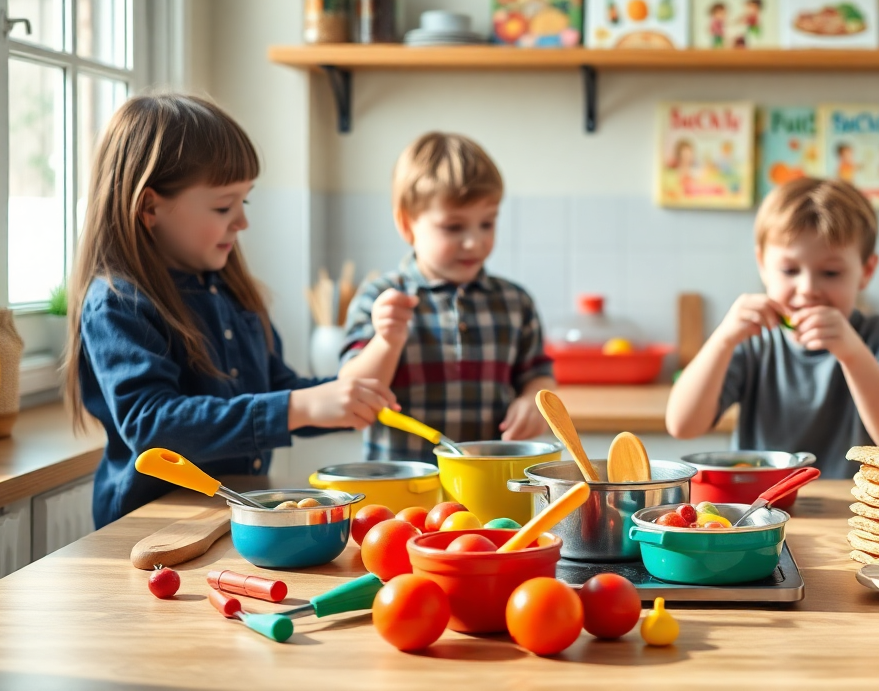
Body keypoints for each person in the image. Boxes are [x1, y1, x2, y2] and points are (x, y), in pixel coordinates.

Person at [69, 94, 396, 527]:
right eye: (224, 206)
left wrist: (339, 400)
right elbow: (152, 424)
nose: (241, 222)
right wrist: (297, 407)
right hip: (151, 528)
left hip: (230, 516)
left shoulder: (231, 292)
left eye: (246, 201)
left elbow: (276, 387)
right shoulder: (118, 303)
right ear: (150, 208)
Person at [666, 178, 879, 476]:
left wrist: (851, 352)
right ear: (762, 264)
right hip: (759, 510)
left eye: (830, 272)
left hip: (857, 512)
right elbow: (682, 425)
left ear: (866, 271)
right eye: (790, 270)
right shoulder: (753, 340)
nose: (807, 289)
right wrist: (723, 339)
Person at [340, 132, 554, 462]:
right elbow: (352, 395)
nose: (474, 242)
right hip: (405, 490)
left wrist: (535, 400)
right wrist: (386, 340)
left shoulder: (515, 303)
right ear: (406, 224)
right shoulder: (379, 299)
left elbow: (538, 375)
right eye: (454, 227)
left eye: (487, 223)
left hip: (490, 487)